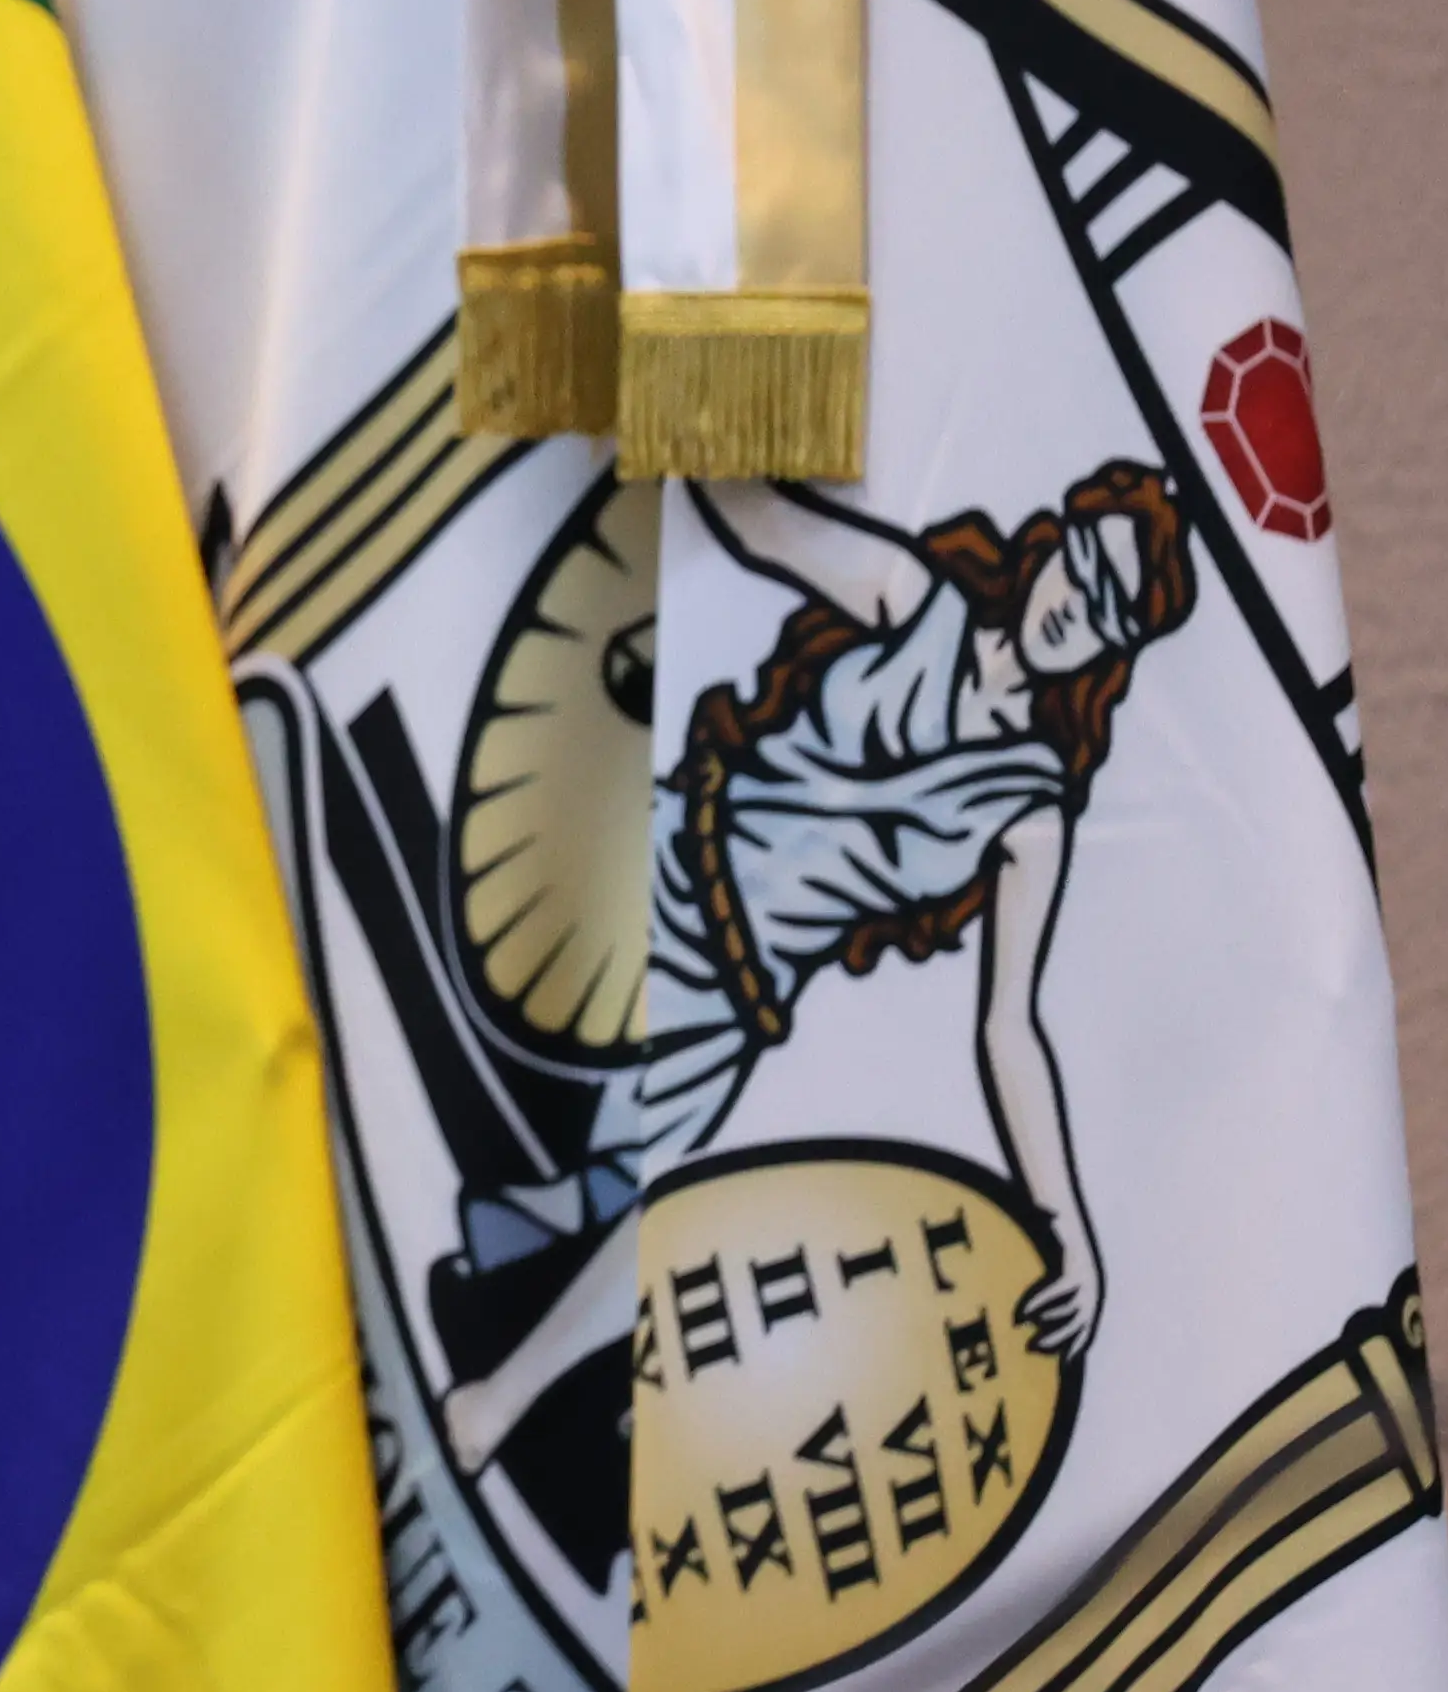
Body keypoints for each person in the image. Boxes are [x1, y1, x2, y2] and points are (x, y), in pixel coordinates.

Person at [435, 463, 1192, 1474]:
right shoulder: (919, 596)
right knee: (484, 980)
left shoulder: (1033, 808)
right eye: (1086, 568)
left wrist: (1066, 1227)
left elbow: (1010, 1026)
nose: (1077, 608)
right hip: (658, 856)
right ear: (1053, 542)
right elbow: (765, 529)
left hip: (735, 995)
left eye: (1110, 611)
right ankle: (520, 1227)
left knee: (663, 1202)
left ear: (1119, 648)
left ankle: (496, 1399)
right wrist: (696, 383)